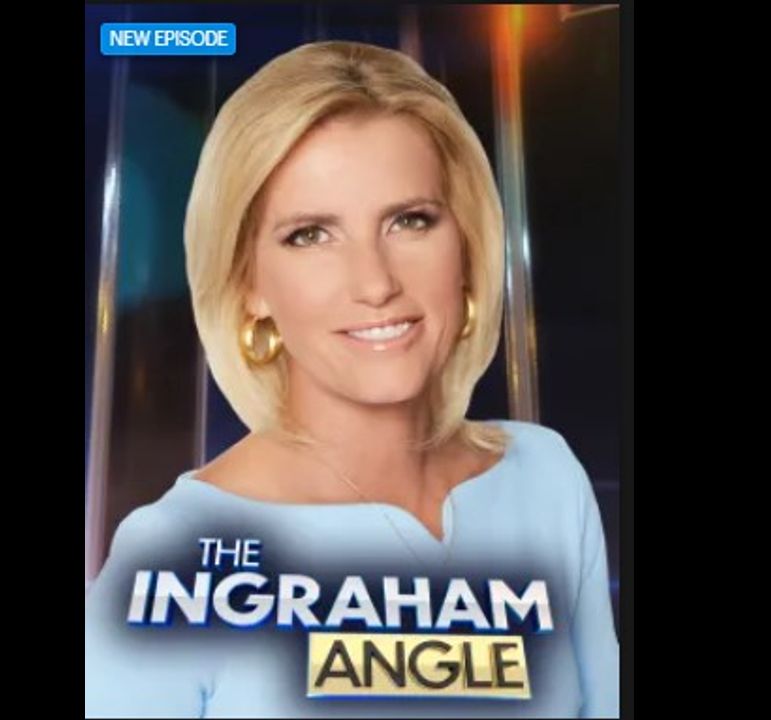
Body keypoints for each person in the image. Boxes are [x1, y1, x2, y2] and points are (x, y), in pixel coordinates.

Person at [86, 40, 619, 718]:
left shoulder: (545, 479)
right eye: (311, 234)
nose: (375, 283)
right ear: (249, 283)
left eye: (409, 221)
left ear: (465, 244)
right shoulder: (174, 555)